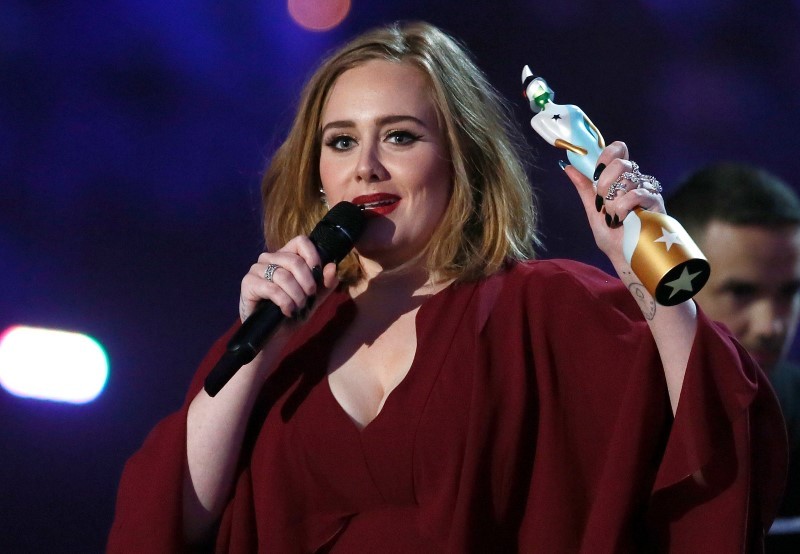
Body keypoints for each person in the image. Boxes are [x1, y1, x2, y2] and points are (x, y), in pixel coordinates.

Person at [107, 22, 786, 552]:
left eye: (400, 137)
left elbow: (709, 432)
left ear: (460, 161)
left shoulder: (541, 309)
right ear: (317, 171)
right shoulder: (287, 338)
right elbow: (176, 522)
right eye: (340, 142)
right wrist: (258, 352)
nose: (365, 167)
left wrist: (644, 259)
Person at [668, 163, 800, 550]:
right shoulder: (615, 417)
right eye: (741, 292)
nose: (770, 326)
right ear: (673, 281)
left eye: (789, 293)